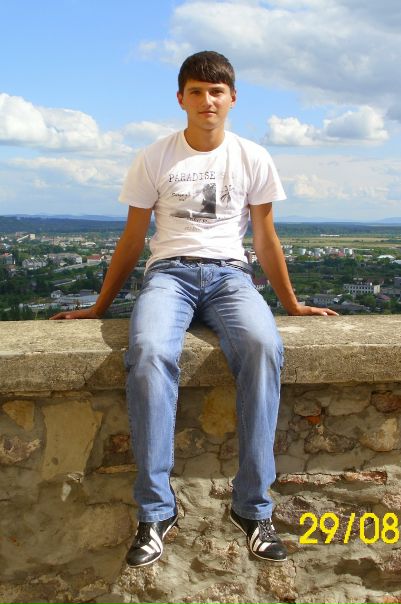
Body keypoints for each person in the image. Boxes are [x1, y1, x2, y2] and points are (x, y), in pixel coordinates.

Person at [51, 50, 337, 568]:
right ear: (181, 98)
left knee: (263, 346)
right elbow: (133, 239)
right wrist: (99, 307)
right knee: (149, 352)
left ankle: (252, 508)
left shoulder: (252, 157)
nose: (208, 100)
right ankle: (156, 512)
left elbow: (266, 238)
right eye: (197, 91)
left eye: (217, 91)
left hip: (230, 276)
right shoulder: (154, 157)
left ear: (232, 98)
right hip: (170, 275)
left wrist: (291, 303)